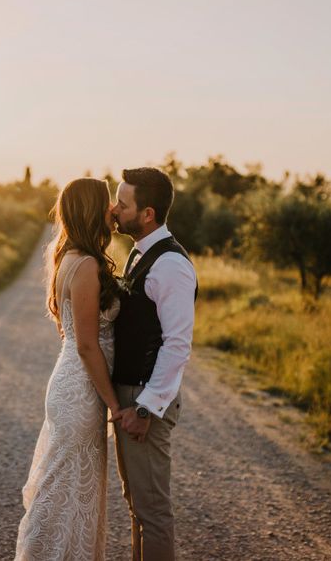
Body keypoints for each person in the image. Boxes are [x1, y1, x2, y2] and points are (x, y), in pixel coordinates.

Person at [15, 178, 121, 561]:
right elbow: (87, 344)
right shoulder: (88, 264)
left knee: (68, 485)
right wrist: (114, 403)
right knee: (67, 486)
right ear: (92, 210)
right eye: (107, 204)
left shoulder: (68, 257)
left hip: (70, 385)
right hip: (80, 391)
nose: (112, 211)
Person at [111, 167, 198, 561]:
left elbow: (177, 344)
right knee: (138, 507)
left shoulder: (171, 266)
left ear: (147, 214)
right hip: (131, 395)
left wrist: (146, 408)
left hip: (145, 400)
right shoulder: (141, 252)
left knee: (154, 513)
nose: (114, 210)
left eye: (122, 203)